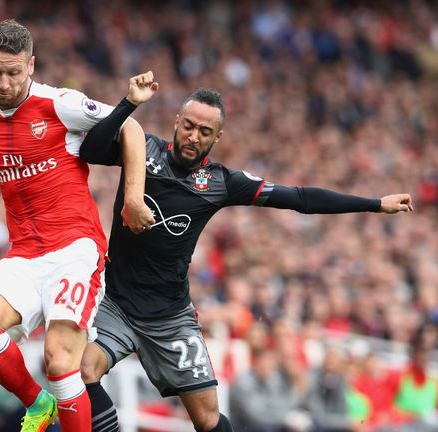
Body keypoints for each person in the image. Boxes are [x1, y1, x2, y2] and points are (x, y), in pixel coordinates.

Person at [77, 83, 414, 432]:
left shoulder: (222, 182)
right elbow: (91, 148)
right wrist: (129, 103)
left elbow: (299, 198)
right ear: (177, 121)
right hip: (115, 303)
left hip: (169, 318)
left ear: (217, 137)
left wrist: (374, 204)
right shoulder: (143, 148)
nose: (193, 136)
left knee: (208, 419)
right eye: (189, 125)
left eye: (205, 132)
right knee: (82, 372)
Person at [0, 19, 155, 431]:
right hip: (25, 255)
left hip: (75, 251)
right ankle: (38, 404)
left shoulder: (59, 105)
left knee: (59, 361)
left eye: (13, 72)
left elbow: (131, 127)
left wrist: (132, 197)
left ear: (32, 65)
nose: (3, 83)